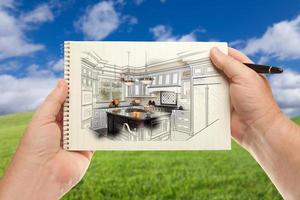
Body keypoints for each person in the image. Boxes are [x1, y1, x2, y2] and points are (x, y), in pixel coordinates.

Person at [0, 47, 299, 199]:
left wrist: (263, 126)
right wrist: (265, 127)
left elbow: (157, 107)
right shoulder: (131, 99)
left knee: (137, 118)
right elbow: (140, 105)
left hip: (151, 115)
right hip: (136, 115)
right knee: (126, 118)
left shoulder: (163, 99)